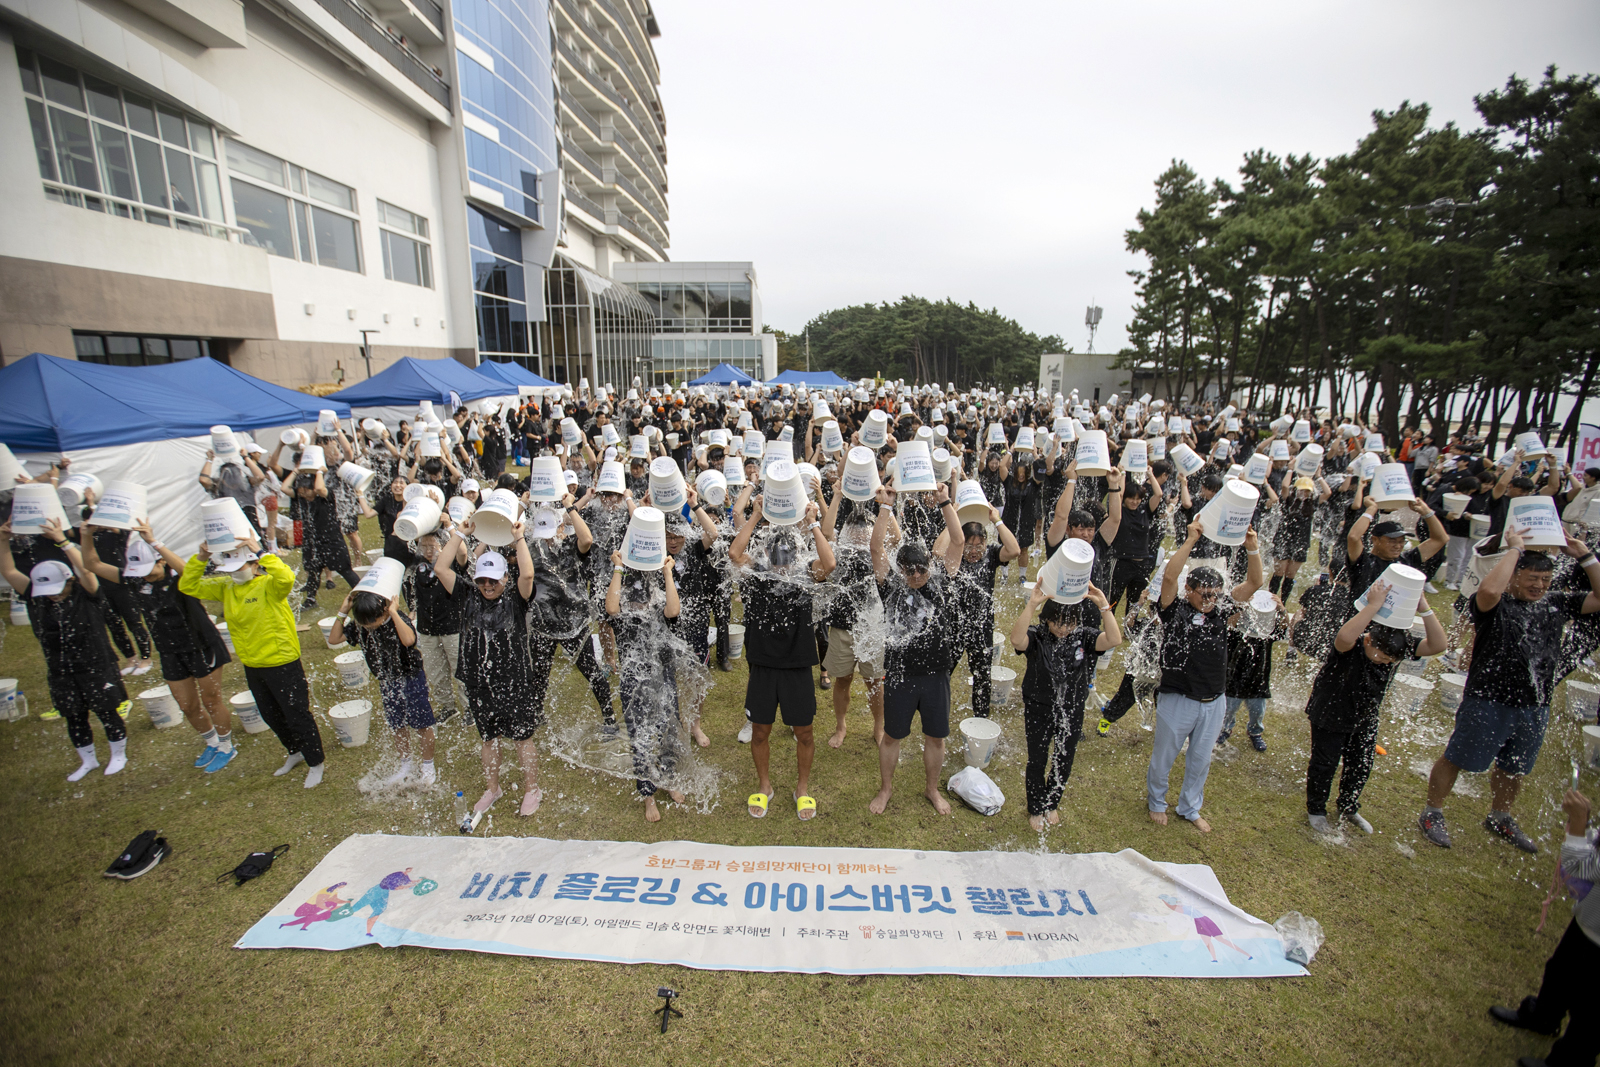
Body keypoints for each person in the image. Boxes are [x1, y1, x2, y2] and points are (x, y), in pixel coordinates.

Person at [1419, 530, 1600, 851]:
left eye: (1545, 579)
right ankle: (1433, 812)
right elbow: (1488, 589)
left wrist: (1585, 556)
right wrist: (1514, 550)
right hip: (1488, 699)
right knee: (1457, 757)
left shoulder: (1556, 603)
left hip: (1535, 703)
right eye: (1532, 578)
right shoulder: (1493, 604)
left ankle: (1500, 816)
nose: (1539, 586)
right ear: (1513, 575)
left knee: (1515, 766)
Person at [82, 520, 234, 773]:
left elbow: (189, 570)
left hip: (201, 645)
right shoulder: (132, 579)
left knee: (211, 700)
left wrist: (155, 542)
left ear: (161, 561)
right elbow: (92, 565)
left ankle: (227, 747)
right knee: (187, 705)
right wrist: (85, 535)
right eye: (137, 570)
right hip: (169, 650)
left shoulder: (182, 580)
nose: (142, 574)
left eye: (148, 568)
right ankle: (211, 742)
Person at [181, 529, 327, 787]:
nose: (236, 572)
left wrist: (260, 549)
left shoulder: (269, 585)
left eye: (242, 565)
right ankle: (294, 752)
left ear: (254, 564)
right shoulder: (226, 587)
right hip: (253, 664)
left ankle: (315, 762)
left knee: (296, 714)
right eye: (232, 568)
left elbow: (286, 576)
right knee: (271, 714)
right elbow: (188, 586)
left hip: (281, 661)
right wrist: (201, 557)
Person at [1146, 520, 1264, 832]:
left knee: (1200, 760)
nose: (1210, 600)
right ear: (1189, 590)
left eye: (1215, 594)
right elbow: (1170, 575)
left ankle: (1190, 807)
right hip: (1178, 698)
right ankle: (1157, 802)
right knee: (1164, 756)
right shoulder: (1174, 610)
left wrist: (1252, 547)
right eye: (1204, 594)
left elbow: (1254, 584)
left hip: (1214, 701)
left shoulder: (1222, 610)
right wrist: (1189, 541)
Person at [1305, 581, 1446, 834]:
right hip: (1330, 713)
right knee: (1325, 763)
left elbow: (1438, 645)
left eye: (1390, 660)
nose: (1384, 662)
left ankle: (1349, 806)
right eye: (1380, 656)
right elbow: (1343, 636)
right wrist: (1374, 605)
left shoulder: (1397, 644)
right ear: (1368, 639)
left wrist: (1424, 608)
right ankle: (1316, 809)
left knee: (1361, 763)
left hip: (1365, 716)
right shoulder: (1351, 646)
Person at [729, 492, 836, 820]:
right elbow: (735, 553)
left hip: (798, 665)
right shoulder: (757, 578)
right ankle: (765, 786)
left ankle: (802, 788)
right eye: (778, 560)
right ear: (769, 559)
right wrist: (756, 515)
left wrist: (813, 523)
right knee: (760, 731)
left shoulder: (805, 578)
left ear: (795, 560)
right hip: (763, 665)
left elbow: (829, 563)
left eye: (788, 560)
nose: (783, 567)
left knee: (804, 732)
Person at [0, 517, 130, 781]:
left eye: (57, 589)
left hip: (96, 664)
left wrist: (62, 541)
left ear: (70, 581)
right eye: (46, 592)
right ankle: (88, 760)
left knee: (106, 710)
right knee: (73, 715)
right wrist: (3, 540)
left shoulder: (87, 594)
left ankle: (118, 754)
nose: (53, 596)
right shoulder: (35, 597)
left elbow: (87, 570)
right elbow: (9, 571)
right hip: (61, 669)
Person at [435, 518, 544, 819]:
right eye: (482, 580)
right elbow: (441, 569)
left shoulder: (516, 598)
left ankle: (532, 789)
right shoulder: (468, 595)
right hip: (478, 681)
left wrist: (519, 539)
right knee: (488, 737)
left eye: (493, 581)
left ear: (505, 579)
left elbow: (529, 573)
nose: (486, 586)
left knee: (522, 738)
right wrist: (460, 534)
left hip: (515, 681)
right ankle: (492, 788)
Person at [869, 483, 964, 816]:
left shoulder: (941, 582)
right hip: (901, 675)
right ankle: (886, 789)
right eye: (909, 570)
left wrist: (945, 502)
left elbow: (959, 540)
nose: (916, 576)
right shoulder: (891, 587)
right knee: (892, 737)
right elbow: (876, 549)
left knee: (935, 738)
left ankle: (931, 790)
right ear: (900, 570)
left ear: (929, 566)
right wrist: (885, 506)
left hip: (936, 675)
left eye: (921, 568)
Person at [1488, 789, 1599, 1067]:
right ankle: (1544, 1017)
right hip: (1589, 922)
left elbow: (1578, 870)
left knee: (1592, 1009)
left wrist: (1578, 823)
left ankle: (1571, 1061)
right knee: (1562, 969)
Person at [1010, 580, 1121, 831]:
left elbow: (1114, 639)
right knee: (1037, 759)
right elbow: (1016, 640)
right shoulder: (1037, 636)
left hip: (1071, 709)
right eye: (1057, 622)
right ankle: (1036, 807)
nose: (1063, 629)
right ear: (1047, 619)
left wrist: (1104, 606)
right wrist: (1031, 604)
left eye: (1069, 623)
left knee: (1064, 759)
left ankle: (1052, 802)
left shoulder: (1083, 637)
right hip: (1039, 707)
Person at [606, 549, 687, 822]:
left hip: (662, 672)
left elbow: (673, 610)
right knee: (639, 733)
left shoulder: (658, 597)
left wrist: (666, 572)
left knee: (668, 727)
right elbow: (611, 608)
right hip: (633, 677)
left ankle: (669, 776)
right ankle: (647, 793)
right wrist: (618, 568)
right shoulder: (622, 597)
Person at [330, 589, 437, 788]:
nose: (369, 628)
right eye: (365, 625)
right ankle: (405, 764)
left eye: (374, 623)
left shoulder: (397, 618)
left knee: (422, 723)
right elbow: (334, 639)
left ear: (385, 612)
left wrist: (395, 613)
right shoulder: (362, 624)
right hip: (387, 681)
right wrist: (343, 611)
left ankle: (428, 765)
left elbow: (409, 641)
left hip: (410, 677)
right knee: (398, 725)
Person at [941, 507, 1020, 720]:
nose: (974, 551)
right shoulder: (954, 556)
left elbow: (1014, 550)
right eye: (969, 545)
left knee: (982, 675)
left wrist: (997, 520)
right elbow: (937, 551)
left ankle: (981, 718)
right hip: (954, 625)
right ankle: (937, 712)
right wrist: (954, 518)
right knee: (944, 671)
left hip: (982, 626)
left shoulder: (992, 555)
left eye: (979, 545)